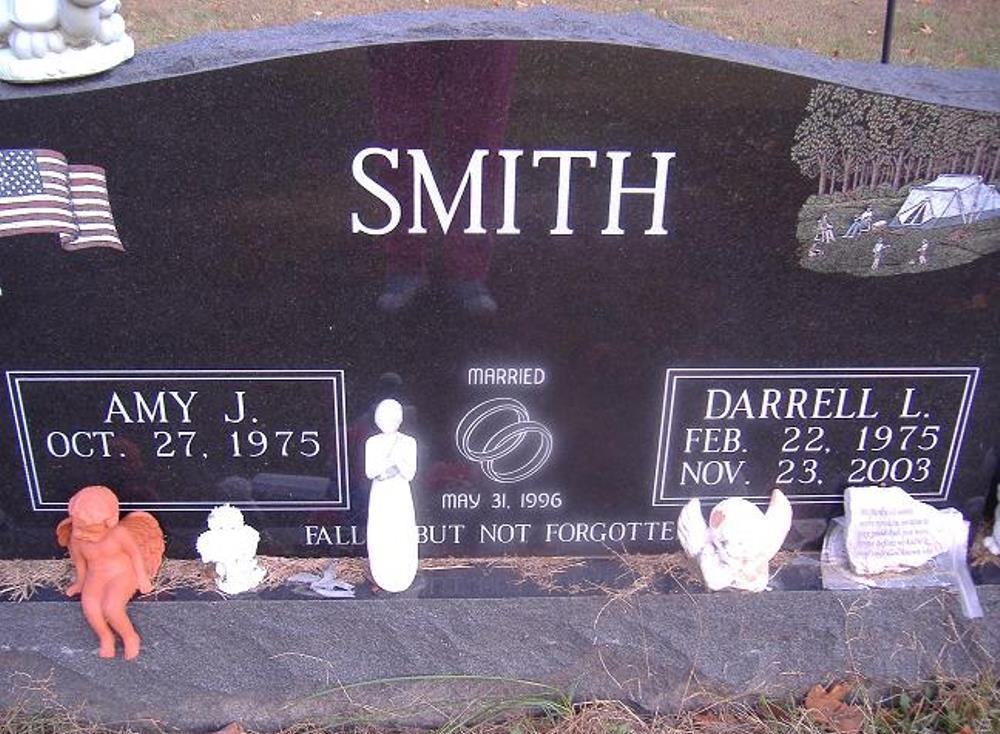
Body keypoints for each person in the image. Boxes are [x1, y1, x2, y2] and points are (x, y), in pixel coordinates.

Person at [365, 399, 418, 592]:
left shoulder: (408, 442)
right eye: (383, 417)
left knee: (401, 528)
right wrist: (389, 464)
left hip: (399, 491)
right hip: (381, 491)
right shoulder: (373, 442)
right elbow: (371, 471)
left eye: (391, 418)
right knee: (381, 529)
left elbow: (410, 473)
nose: (387, 422)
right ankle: (383, 573)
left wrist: (397, 462)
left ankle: (402, 572)